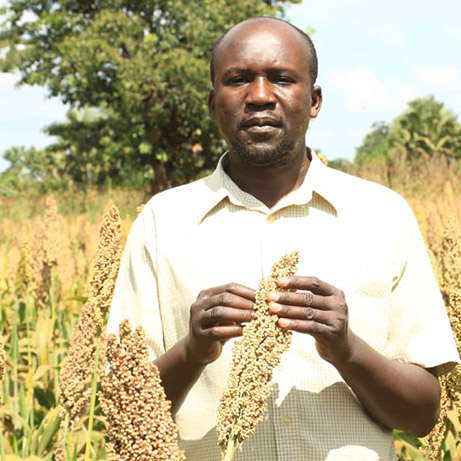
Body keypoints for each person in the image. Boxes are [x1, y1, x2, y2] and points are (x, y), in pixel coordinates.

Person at [108, 17, 459, 460]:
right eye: (238, 80)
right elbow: (122, 415)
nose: (259, 96)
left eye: (281, 78)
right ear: (214, 104)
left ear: (313, 101)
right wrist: (194, 350)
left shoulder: (383, 215)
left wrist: (346, 348)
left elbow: (424, 414)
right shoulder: (162, 221)